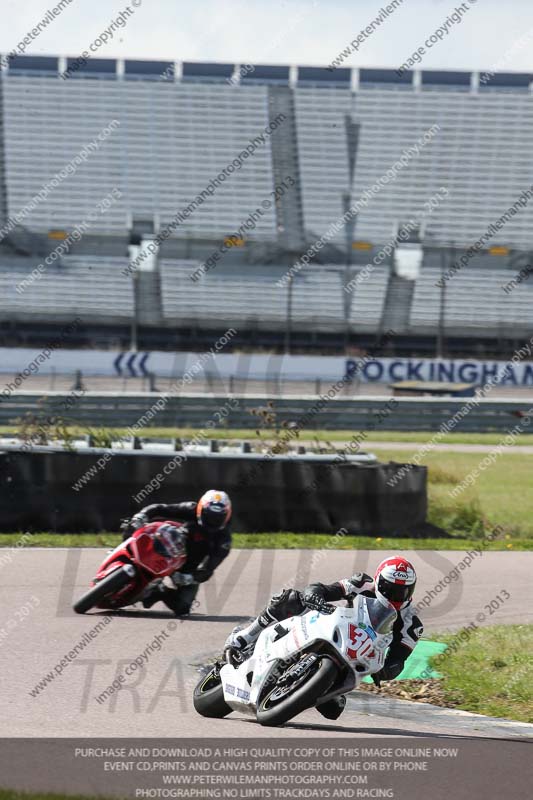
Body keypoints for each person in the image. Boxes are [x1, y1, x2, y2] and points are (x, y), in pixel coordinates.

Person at [224, 556, 423, 720]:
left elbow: (399, 659)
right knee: (292, 599)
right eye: (390, 589)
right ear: (379, 580)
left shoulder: (411, 624)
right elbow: (324, 589)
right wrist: (314, 595)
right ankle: (246, 636)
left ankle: (300, 690)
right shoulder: (362, 584)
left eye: (404, 591)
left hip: (357, 657)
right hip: (333, 627)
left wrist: (387, 671)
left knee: (333, 710)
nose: (396, 596)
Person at [121, 490, 232, 615]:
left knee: (183, 607)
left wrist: (191, 577)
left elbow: (209, 568)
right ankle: (123, 550)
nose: (212, 521)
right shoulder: (191, 509)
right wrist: (142, 515)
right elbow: (160, 508)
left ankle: (157, 591)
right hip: (168, 547)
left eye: (217, 518)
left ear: (226, 516)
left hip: (187, 568)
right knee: (131, 524)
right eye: (209, 515)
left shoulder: (224, 541)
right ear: (201, 509)